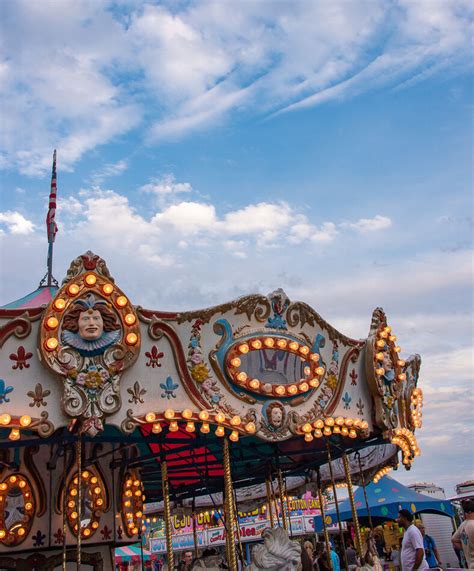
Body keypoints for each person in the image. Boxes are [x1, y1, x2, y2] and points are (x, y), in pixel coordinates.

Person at [452, 498, 474, 569]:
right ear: (471, 512)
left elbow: (454, 540)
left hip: (470, 565)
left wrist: (466, 549)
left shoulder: (462, 525)